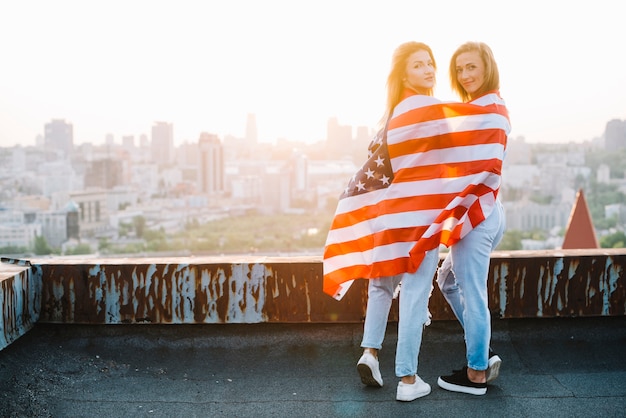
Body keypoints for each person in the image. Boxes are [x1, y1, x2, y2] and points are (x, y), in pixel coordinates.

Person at [322, 41, 510, 402]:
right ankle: (417, 378)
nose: (429, 71)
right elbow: (458, 149)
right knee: (427, 289)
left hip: (398, 217)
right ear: (404, 75)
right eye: (419, 66)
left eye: (431, 65)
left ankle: (373, 353)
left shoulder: (395, 114)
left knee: (396, 285)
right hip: (426, 217)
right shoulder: (432, 109)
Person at [436, 41, 508, 396]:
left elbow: (477, 168)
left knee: (474, 294)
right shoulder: (482, 107)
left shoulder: (488, 110)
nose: (465, 75)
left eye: (471, 68)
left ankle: (476, 373)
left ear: (487, 68)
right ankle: (482, 348)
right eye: (459, 70)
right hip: (489, 211)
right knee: (446, 278)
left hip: (477, 216)